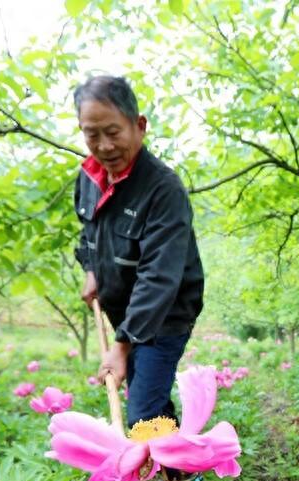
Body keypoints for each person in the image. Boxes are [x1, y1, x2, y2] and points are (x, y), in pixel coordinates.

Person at [73, 75, 204, 429]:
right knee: (152, 397)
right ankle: (178, 469)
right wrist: (91, 269)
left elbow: (159, 277)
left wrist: (121, 345)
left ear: (139, 126)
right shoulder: (88, 179)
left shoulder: (163, 190)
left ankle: (180, 471)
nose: (104, 146)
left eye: (113, 132)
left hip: (165, 315)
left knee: (142, 412)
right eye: (91, 134)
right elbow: (90, 234)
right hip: (124, 309)